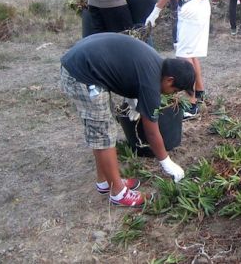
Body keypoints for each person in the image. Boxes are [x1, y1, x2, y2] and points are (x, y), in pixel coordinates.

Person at [59, 33, 194, 207]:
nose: (172, 94)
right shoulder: (151, 82)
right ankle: (118, 193)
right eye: (174, 91)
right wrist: (166, 163)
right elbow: (151, 132)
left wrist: (133, 98)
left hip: (87, 63)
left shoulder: (157, 64)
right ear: (170, 80)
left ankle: (105, 182)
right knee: (104, 135)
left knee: (103, 131)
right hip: (81, 74)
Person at [144, 0, 217, 119]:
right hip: (184, 11)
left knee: (184, 57)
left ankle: (192, 104)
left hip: (197, 9)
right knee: (190, 54)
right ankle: (199, 94)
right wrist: (156, 11)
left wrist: (197, 0)